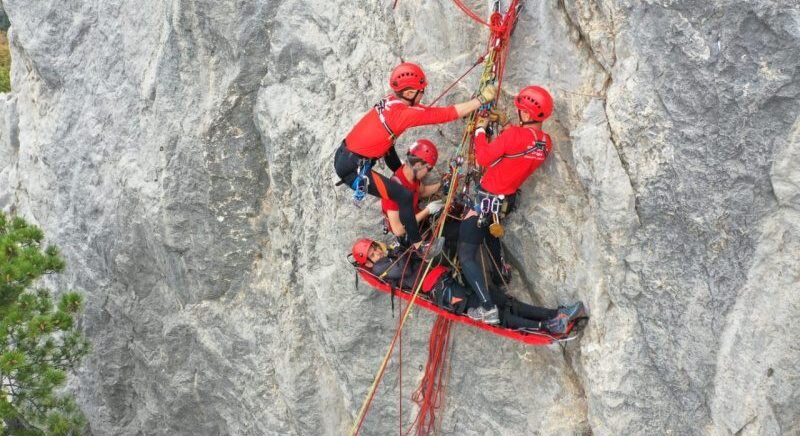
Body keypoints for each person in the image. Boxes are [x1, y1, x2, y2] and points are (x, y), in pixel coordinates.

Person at [335, 62, 497, 254]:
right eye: (421, 91)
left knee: (401, 182)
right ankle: (419, 246)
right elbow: (444, 114)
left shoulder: (391, 103)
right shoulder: (402, 115)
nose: (423, 95)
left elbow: (390, 144)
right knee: (402, 196)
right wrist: (480, 100)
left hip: (350, 157)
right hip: (353, 168)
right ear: (410, 93)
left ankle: (410, 215)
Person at [458, 85, 556, 324]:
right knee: (491, 237)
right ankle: (501, 273)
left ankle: (487, 307)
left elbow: (483, 158)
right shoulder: (545, 143)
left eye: (520, 109)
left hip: (486, 200)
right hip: (505, 202)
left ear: (525, 113)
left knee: (466, 255)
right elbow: (518, 150)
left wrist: (480, 131)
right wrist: (504, 129)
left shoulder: (513, 135)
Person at [351, 238, 585, 333]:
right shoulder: (382, 268)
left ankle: (556, 314)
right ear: (369, 261)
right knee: (499, 315)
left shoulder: (390, 255)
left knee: (502, 301)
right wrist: (402, 250)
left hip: (448, 280)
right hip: (446, 293)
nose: (376, 251)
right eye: (372, 253)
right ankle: (549, 324)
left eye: (375, 247)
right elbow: (403, 271)